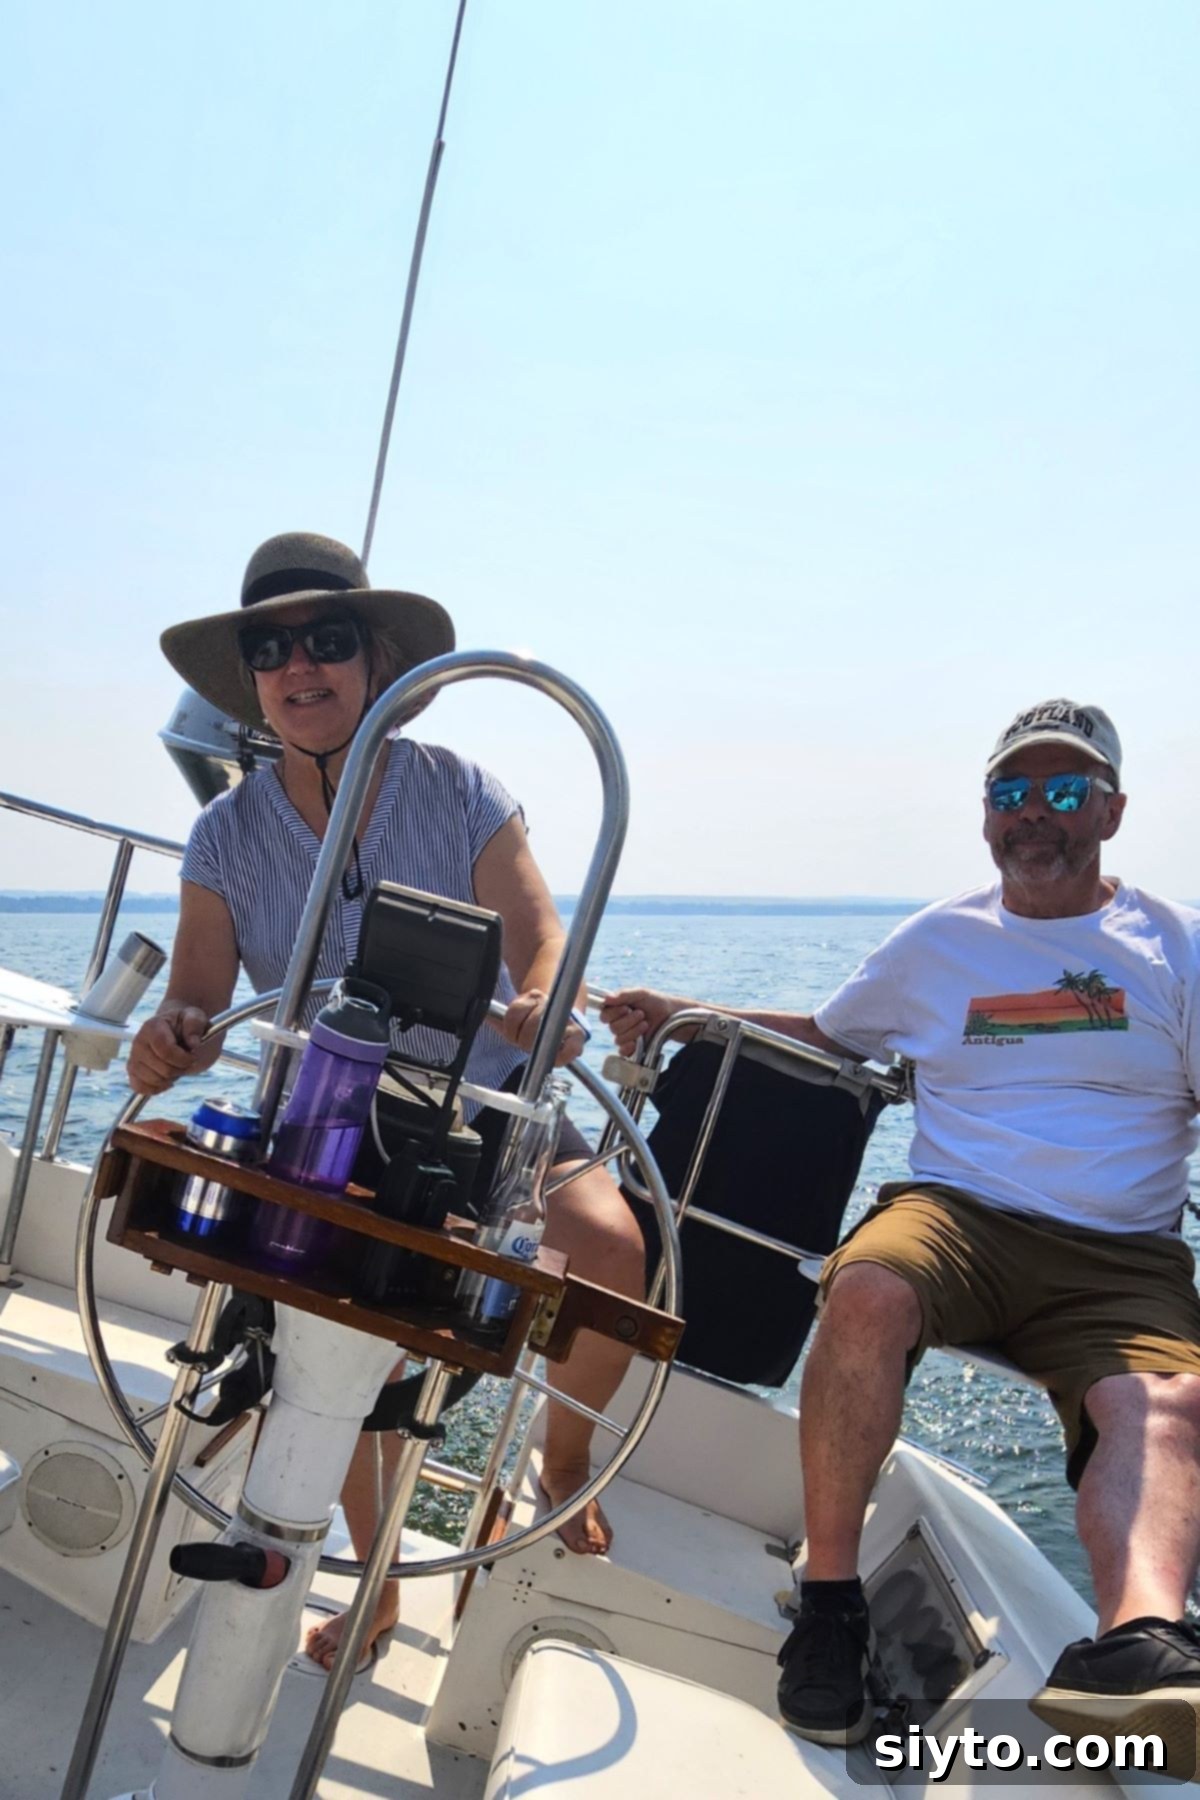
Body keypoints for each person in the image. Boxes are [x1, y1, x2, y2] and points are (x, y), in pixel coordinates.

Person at [602, 698, 1200, 1753]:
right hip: (958, 1218)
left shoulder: (1175, 949)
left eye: (1064, 792)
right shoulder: (939, 940)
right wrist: (683, 1011)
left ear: (1109, 809)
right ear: (985, 816)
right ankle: (830, 1605)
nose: (1034, 816)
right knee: (866, 1287)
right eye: (1011, 793)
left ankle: (1139, 1641)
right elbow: (826, 1036)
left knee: (1163, 1400)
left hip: (1122, 1256)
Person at [129, 530, 645, 1667]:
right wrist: (165, 1043)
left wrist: (543, 1004)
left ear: (375, 660)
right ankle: (377, 1591)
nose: (298, 665)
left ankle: (554, 1469)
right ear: (253, 682)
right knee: (331, 1331)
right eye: (272, 647)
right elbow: (201, 1003)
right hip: (327, 1117)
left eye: (326, 639)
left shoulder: (459, 790)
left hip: (490, 1107)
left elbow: (543, 939)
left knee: (612, 1251)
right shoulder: (223, 835)